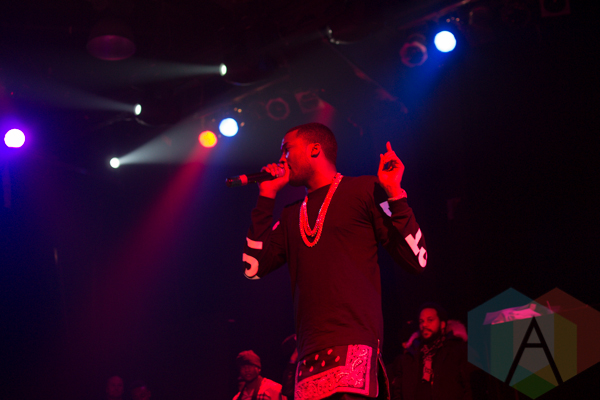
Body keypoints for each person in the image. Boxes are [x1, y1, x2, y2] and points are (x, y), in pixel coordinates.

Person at [242, 123, 427, 399]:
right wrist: (266, 196)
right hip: (308, 353)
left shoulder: (364, 189)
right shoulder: (292, 214)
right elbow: (253, 268)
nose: (281, 160)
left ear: (315, 149)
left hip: (354, 343)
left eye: (286, 150)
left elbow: (417, 260)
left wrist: (394, 193)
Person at [390, 303, 472, 400]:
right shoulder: (410, 356)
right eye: (421, 321)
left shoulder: (457, 351)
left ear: (442, 324)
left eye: (430, 320)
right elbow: (398, 391)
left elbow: (469, 387)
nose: (424, 325)